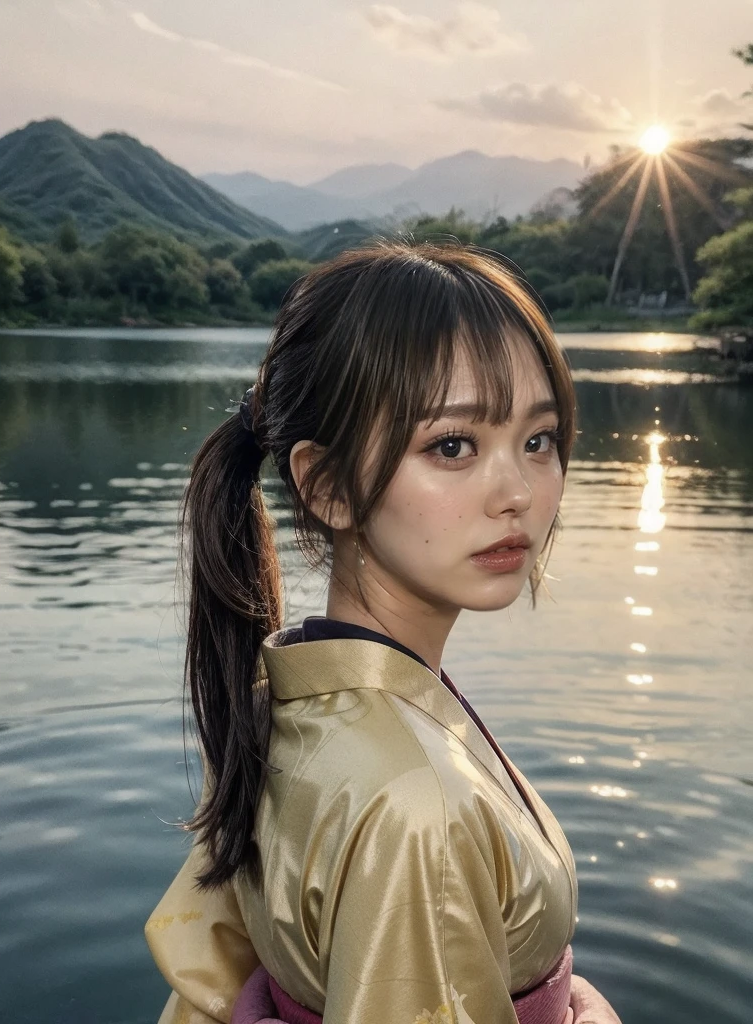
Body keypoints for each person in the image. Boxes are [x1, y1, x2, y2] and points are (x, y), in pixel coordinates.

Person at [145, 240, 621, 1024]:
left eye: (537, 440)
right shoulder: (414, 803)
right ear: (327, 486)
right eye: (453, 446)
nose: (516, 493)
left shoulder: (287, 698)